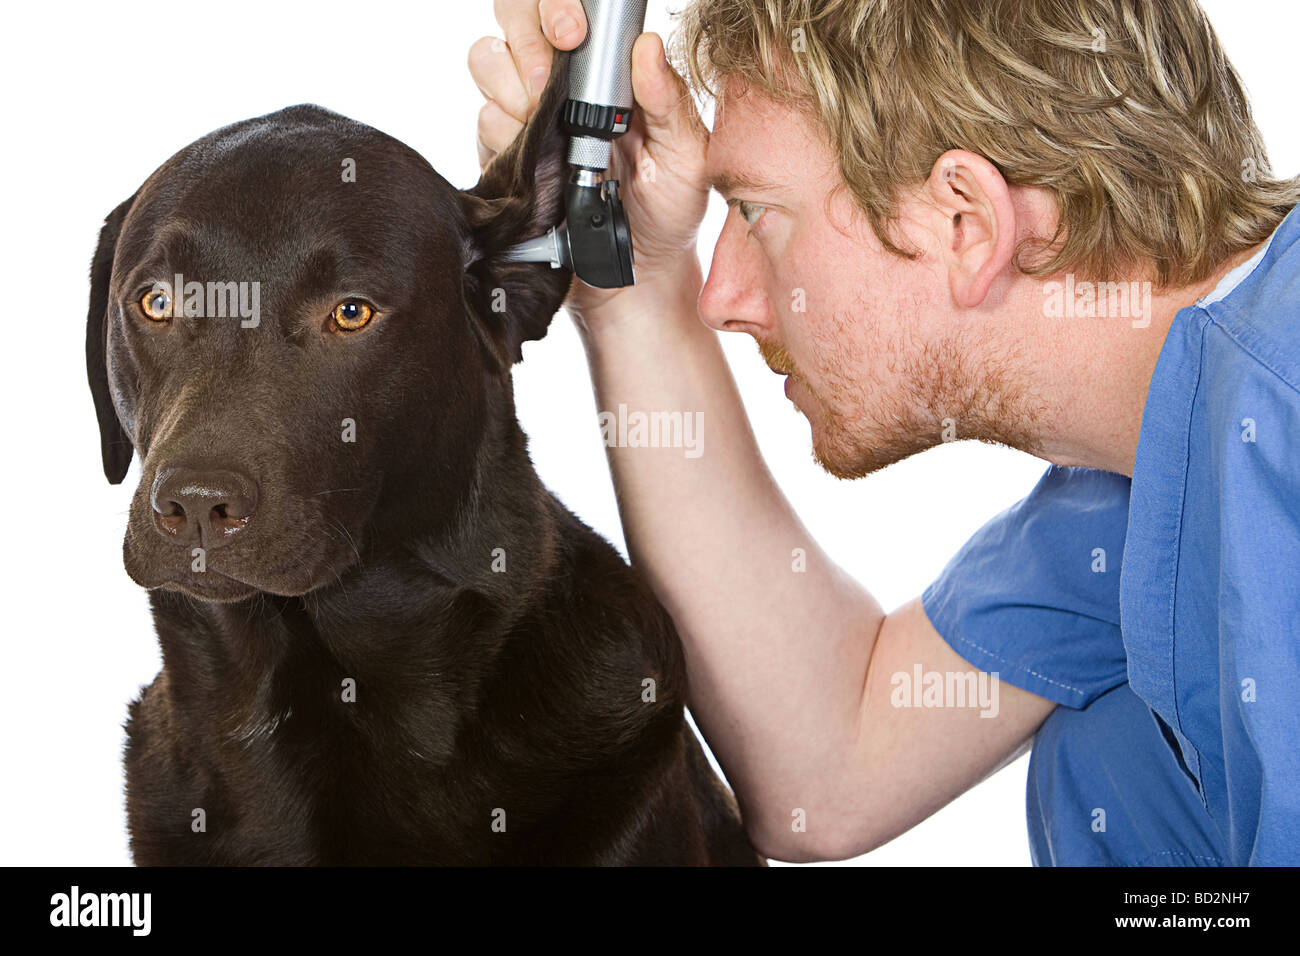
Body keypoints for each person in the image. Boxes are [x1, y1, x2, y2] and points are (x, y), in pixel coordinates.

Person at [468, 0, 1300, 865]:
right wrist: (633, 290)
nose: (724, 300)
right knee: (1110, 749)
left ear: (964, 223)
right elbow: (831, 771)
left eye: (755, 213)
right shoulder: (1138, 490)